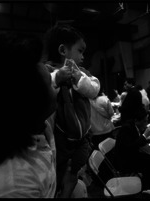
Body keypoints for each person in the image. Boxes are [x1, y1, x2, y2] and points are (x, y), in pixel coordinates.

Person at [0, 32, 57, 198]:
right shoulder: (14, 186)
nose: (48, 69)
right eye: (50, 84)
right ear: (26, 98)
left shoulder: (34, 128)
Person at [43, 24, 100, 198]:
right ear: (63, 50)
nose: (83, 57)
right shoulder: (48, 71)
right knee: (59, 171)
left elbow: (95, 89)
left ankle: (72, 179)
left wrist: (80, 80)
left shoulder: (82, 72)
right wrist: (57, 78)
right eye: (80, 51)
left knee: (75, 169)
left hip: (83, 137)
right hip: (60, 139)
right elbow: (43, 92)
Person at [114, 88, 150, 189]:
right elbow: (130, 148)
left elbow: (136, 142)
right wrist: (145, 136)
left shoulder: (134, 125)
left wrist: (147, 138)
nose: (146, 124)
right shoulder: (127, 128)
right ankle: (149, 186)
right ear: (136, 120)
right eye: (144, 121)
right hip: (126, 161)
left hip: (131, 154)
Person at [89, 85, 115, 149]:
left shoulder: (86, 101)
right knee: (109, 150)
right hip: (107, 129)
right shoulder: (104, 99)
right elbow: (111, 113)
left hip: (94, 131)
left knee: (98, 151)